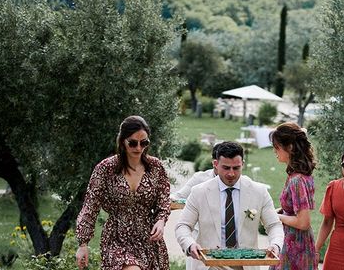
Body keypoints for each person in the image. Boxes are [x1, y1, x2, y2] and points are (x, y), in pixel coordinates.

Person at [76, 115, 171, 270]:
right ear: (122, 141)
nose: (139, 148)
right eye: (133, 143)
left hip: (148, 240)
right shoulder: (105, 168)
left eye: (144, 143)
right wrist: (83, 243)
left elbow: (164, 199)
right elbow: (90, 206)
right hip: (117, 239)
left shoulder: (156, 167)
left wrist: (161, 221)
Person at [175, 141, 284, 270]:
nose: (231, 174)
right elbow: (183, 226)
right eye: (226, 168)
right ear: (215, 164)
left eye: (236, 168)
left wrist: (276, 244)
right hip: (208, 264)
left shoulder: (259, 192)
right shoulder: (199, 192)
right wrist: (190, 244)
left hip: (245, 264)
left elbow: (274, 225)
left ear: (242, 164)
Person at [270, 122, 317, 270]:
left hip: (296, 247)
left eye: (277, 147)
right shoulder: (299, 176)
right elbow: (292, 211)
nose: (274, 151)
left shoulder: (297, 180)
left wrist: (276, 217)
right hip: (294, 242)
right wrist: (275, 212)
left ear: (289, 147)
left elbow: (303, 222)